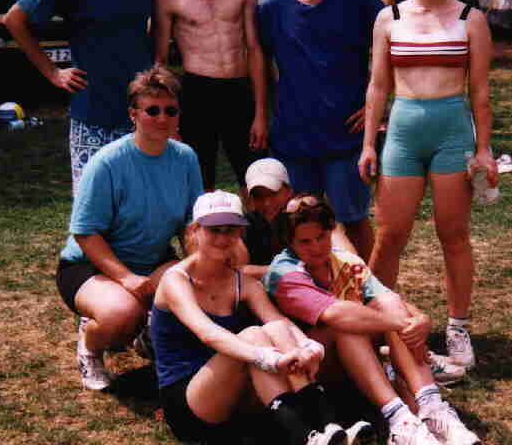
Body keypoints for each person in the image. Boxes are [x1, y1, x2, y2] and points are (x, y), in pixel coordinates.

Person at [358, 0, 498, 372]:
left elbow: (481, 92)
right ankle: (375, 326)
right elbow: (378, 86)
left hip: (452, 130)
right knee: (389, 234)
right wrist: (368, 144)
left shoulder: (471, 19)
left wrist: (484, 149)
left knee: (453, 233)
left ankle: (458, 327)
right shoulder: (390, 18)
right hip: (403, 130)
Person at [152, 190, 376, 445]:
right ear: (195, 230)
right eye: (214, 229)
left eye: (231, 229)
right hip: (190, 402)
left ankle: (326, 426)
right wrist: (269, 358)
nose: (223, 238)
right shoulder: (175, 279)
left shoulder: (243, 282)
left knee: (276, 329)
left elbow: (278, 321)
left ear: (240, 232)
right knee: (253, 335)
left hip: (232, 390)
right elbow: (208, 333)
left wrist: (307, 347)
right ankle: (307, 434)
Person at [263, 194, 480, 445]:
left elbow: (387, 299)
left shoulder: (344, 260)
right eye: (305, 241)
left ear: (331, 231)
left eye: (321, 237)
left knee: (390, 305)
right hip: (309, 370)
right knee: (346, 325)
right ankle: (399, 420)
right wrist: (401, 324)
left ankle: (432, 408)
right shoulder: (284, 272)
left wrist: (421, 319)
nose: (316, 247)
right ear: (290, 243)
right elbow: (336, 314)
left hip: (356, 361)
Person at [54, 65, 204, 390]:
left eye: (170, 110)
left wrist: (198, 263)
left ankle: (148, 335)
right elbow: (85, 232)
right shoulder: (107, 162)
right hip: (91, 266)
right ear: (133, 114)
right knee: (122, 313)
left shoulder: (186, 158)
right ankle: (90, 342)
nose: (162, 118)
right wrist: (125, 278)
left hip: (152, 261)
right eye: (152, 110)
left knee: (203, 287)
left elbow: (191, 224)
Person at [3, 0, 162, 197]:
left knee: (143, 201)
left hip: (143, 113)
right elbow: (14, 19)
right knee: (94, 204)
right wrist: (53, 72)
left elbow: (161, 27)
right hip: (92, 114)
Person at [258, 0, 383, 263]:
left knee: (353, 219)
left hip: (347, 135)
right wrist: (263, 114)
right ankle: (301, 289)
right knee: (296, 222)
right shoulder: (273, 8)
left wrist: (378, 106)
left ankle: (370, 287)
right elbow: (259, 61)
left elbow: (393, 51)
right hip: (294, 135)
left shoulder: (361, 0)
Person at [154, 0, 268, 195]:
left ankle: (257, 228)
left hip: (239, 90)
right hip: (197, 93)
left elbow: (255, 49)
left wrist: (260, 113)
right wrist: (171, 122)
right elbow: (160, 62)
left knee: (257, 183)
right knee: (199, 185)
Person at [240, 158, 357, 280]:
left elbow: (346, 252)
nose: (267, 203)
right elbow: (238, 270)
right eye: (258, 196)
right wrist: (286, 270)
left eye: (273, 193)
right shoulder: (247, 225)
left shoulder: (309, 212)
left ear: (289, 191)